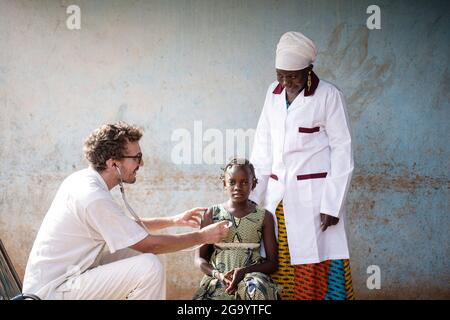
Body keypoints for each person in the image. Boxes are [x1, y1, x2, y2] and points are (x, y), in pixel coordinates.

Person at [22, 122, 230, 300]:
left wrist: (174, 220)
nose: (141, 163)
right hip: (52, 292)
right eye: (136, 157)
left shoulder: (84, 181)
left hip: (68, 279)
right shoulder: (92, 196)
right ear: (113, 163)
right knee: (149, 264)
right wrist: (203, 236)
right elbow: (149, 244)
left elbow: (125, 227)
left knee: (151, 255)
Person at [249, 31, 355, 300]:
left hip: (315, 200)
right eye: (280, 74)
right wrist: (252, 199)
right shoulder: (272, 95)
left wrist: (332, 204)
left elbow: (343, 151)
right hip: (277, 197)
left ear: (309, 70)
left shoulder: (329, 95)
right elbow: (262, 146)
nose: (285, 82)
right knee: (278, 259)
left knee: (316, 258)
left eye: (293, 75)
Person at [193, 158, 279, 300]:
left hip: (252, 277)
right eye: (232, 182)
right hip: (219, 276)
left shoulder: (264, 216)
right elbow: (200, 258)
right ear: (224, 184)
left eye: (244, 182)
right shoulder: (212, 214)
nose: (237, 187)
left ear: (254, 184)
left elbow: (273, 264)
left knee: (256, 290)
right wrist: (217, 275)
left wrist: (245, 271)